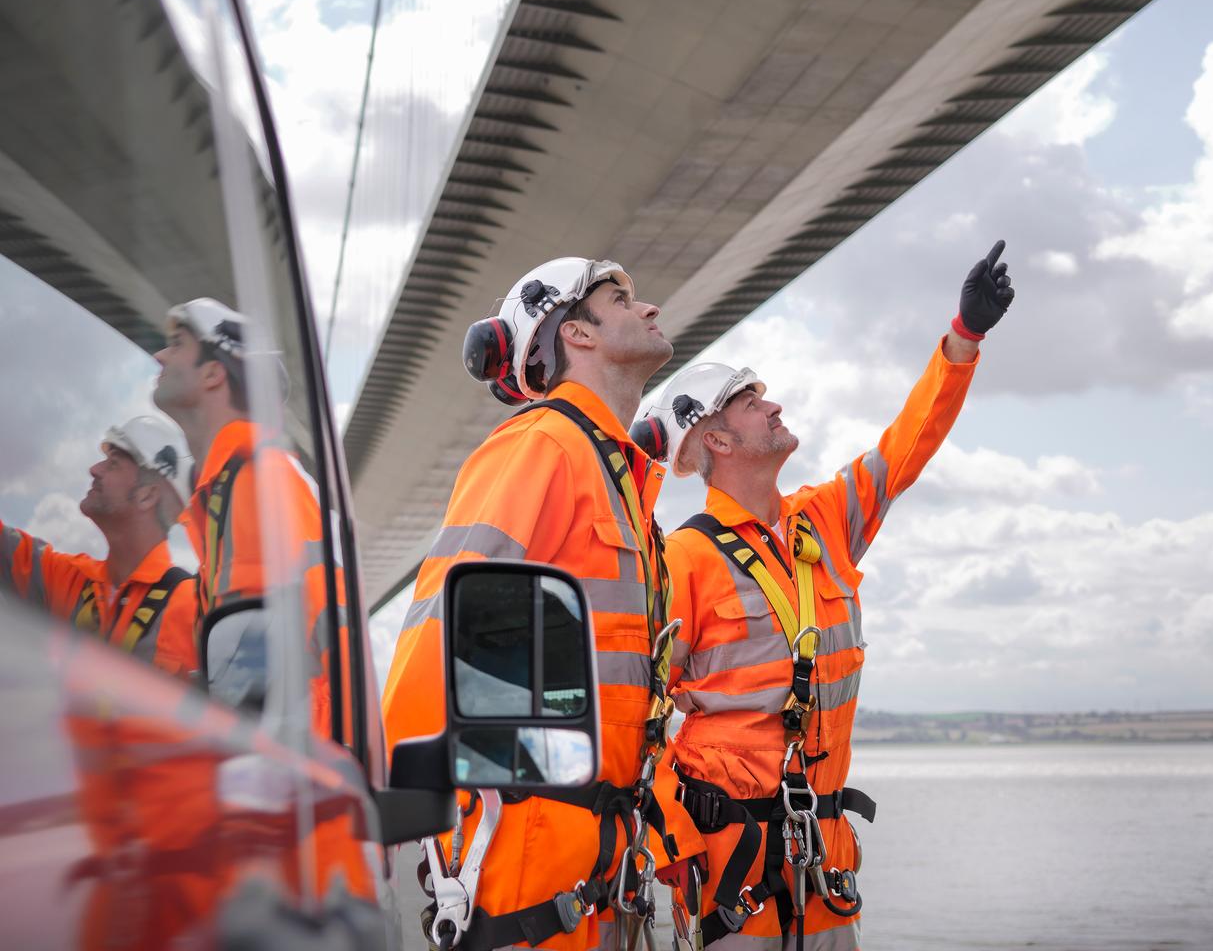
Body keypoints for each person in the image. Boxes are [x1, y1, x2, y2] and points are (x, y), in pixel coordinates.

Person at [634, 241, 1016, 949]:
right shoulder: (683, 558)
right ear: (715, 437)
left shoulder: (824, 521)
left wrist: (963, 340)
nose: (772, 404)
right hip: (730, 872)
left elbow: (905, 448)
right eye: (751, 402)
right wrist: (669, 837)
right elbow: (635, 714)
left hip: (825, 866)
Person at [382, 256, 705, 950]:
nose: (648, 309)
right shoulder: (542, 446)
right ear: (577, 335)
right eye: (622, 298)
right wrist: (391, 811)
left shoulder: (621, 481)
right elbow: (437, 626)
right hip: (528, 862)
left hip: (600, 862)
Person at [153, 297, 341, 738]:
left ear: (214, 373)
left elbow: (268, 675)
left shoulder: (260, 483)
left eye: (177, 343)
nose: (159, 355)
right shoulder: (226, 493)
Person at [0, 414, 197, 676]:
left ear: (147, 495)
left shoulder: (189, 607)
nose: (95, 469)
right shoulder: (72, 580)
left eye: (113, 464)